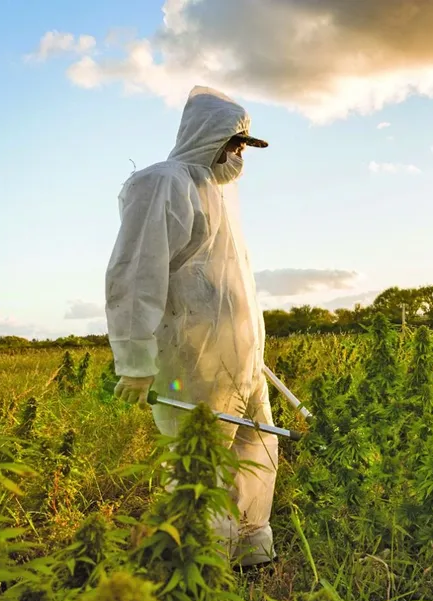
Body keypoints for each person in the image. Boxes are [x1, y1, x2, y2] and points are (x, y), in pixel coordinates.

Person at [105, 85, 279, 565]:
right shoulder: (164, 183)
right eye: (234, 142)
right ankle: (200, 568)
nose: (239, 153)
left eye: (244, 145)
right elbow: (136, 271)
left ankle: (248, 556)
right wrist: (135, 359)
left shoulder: (222, 196)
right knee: (201, 464)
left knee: (253, 450)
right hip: (192, 360)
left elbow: (233, 286)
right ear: (207, 136)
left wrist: (255, 354)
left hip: (241, 362)